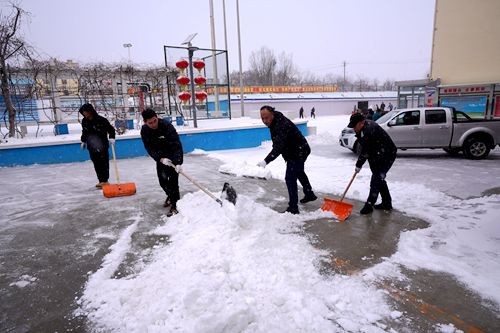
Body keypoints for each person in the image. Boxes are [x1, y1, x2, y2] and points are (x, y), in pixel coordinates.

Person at [257, 105, 317, 214]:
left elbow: (278, 147)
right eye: (262, 118)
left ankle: (293, 208)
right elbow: (279, 144)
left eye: (266, 117)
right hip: (296, 149)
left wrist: (265, 161)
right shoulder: (275, 121)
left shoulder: (280, 125)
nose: (265, 121)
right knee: (298, 171)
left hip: (298, 151)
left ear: (272, 114)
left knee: (290, 177)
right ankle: (309, 194)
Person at [347, 113, 397, 215]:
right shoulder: (364, 128)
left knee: (376, 179)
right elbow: (366, 149)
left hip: (386, 154)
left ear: (361, 123)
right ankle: (387, 203)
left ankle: (369, 205)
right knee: (379, 179)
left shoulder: (368, 130)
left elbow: (365, 150)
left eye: (354, 126)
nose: (353, 128)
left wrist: (358, 165)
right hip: (376, 154)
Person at [141, 108, 184, 217]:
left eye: (154, 120)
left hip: (173, 156)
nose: (153, 124)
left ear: (157, 117)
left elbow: (176, 144)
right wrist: (160, 158)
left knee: (173, 182)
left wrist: (178, 162)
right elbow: (149, 148)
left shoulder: (167, 126)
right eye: (150, 122)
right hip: (161, 158)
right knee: (163, 181)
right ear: (145, 122)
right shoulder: (145, 130)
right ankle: (171, 196)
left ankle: (175, 205)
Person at [79, 103, 116, 188]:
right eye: (83, 112)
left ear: (90, 111)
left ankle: (105, 180)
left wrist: (112, 138)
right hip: (91, 146)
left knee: (104, 163)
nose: (84, 114)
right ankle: (101, 180)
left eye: (85, 112)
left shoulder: (101, 120)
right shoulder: (85, 121)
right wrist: (83, 141)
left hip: (102, 145)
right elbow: (84, 132)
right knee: (96, 163)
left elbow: (111, 130)